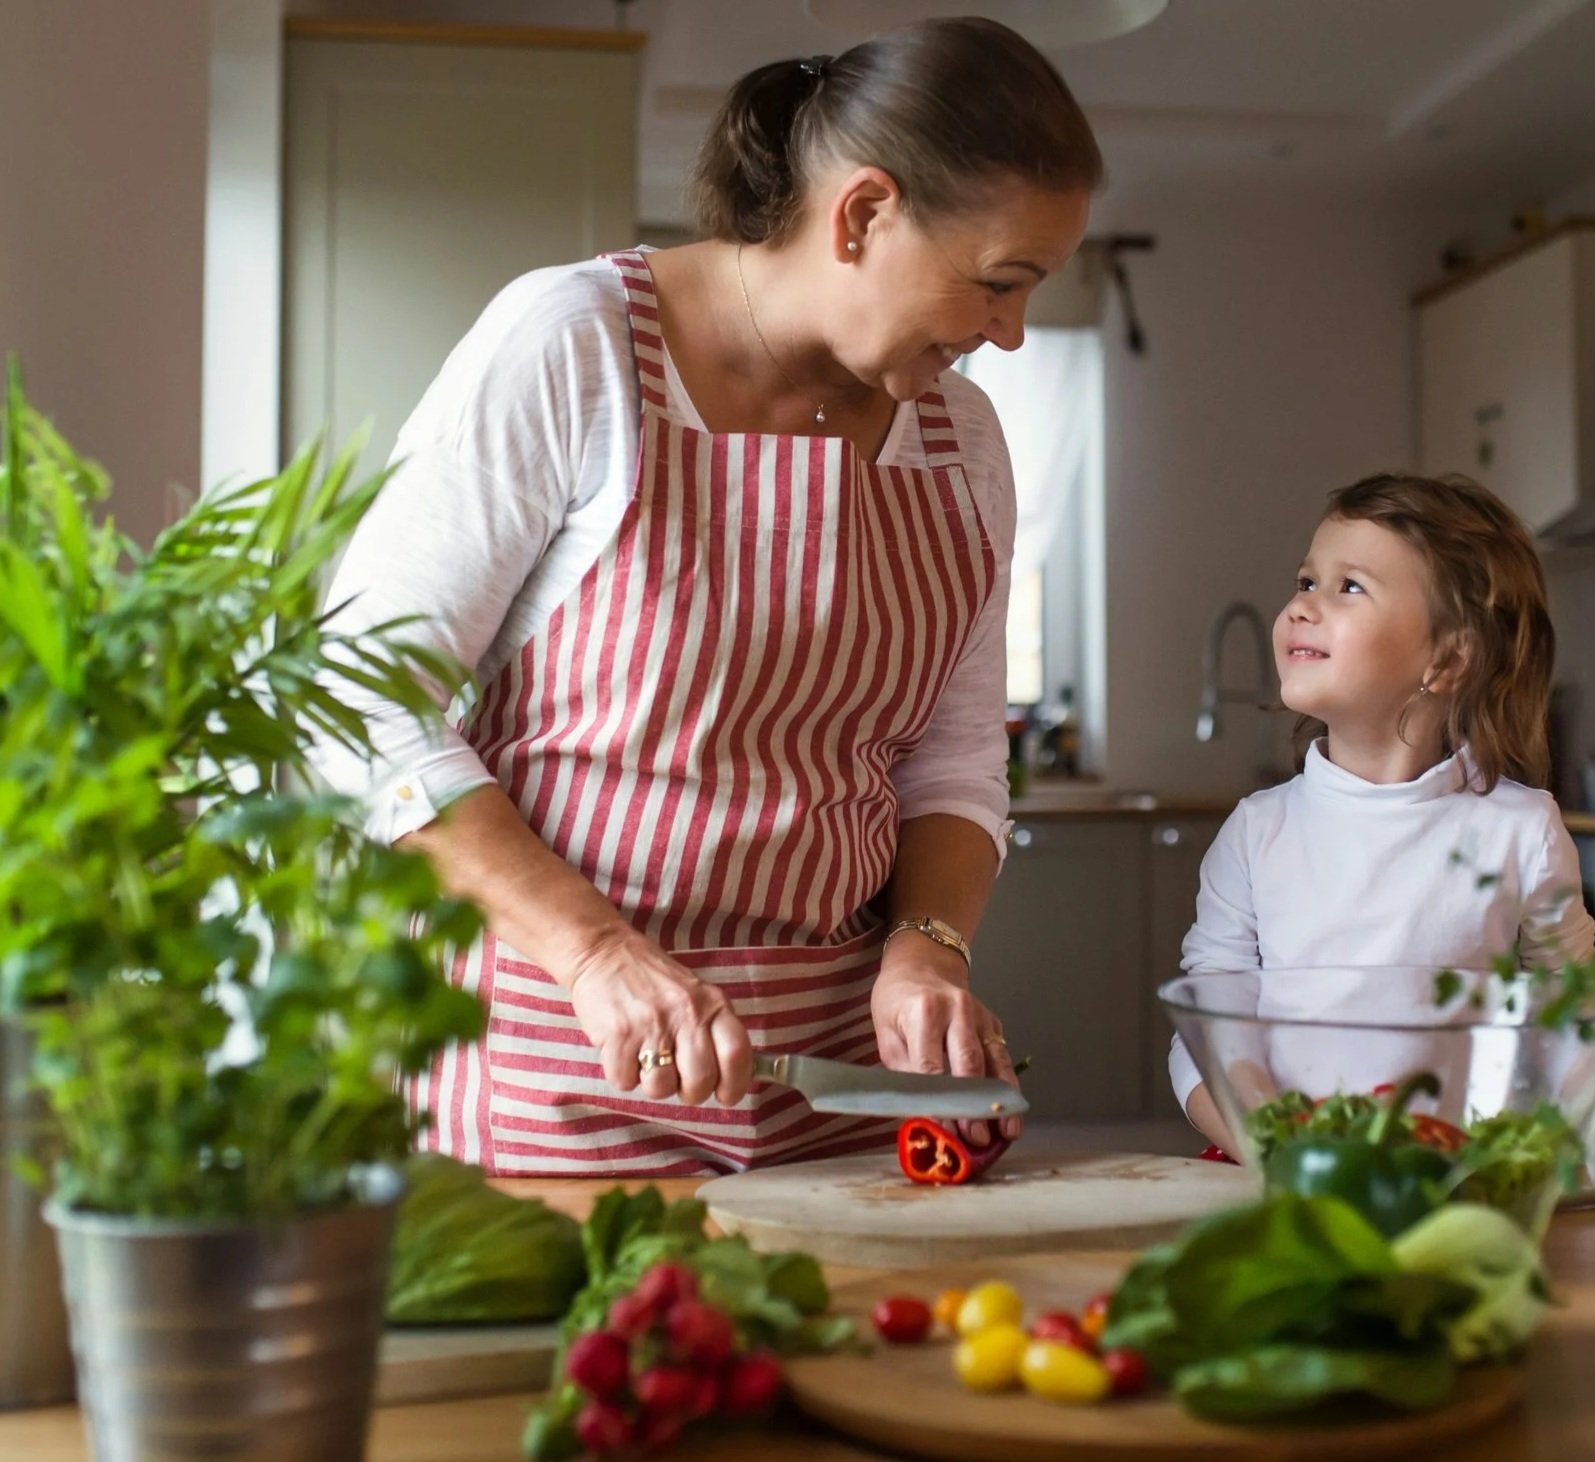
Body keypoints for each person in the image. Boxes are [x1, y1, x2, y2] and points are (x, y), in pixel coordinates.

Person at [310, 17, 1100, 1174]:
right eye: (996, 284)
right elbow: (363, 699)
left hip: (832, 1091)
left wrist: (928, 947)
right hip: (563, 1057)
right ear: (863, 214)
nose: (1010, 334)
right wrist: (593, 955)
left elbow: (952, 762)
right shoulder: (578, 344)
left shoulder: (961, 438)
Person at [1170, 474, 1595, 1153]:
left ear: (1447, 658)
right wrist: (1278, 1149)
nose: (1302, 606)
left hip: (1452, 1177)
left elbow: (1574, 1019)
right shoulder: (1257, 832)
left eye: (1349, 587)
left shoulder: (1520, 831)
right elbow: (1206, 1034)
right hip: (1277, 1174)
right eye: (1306, 581)